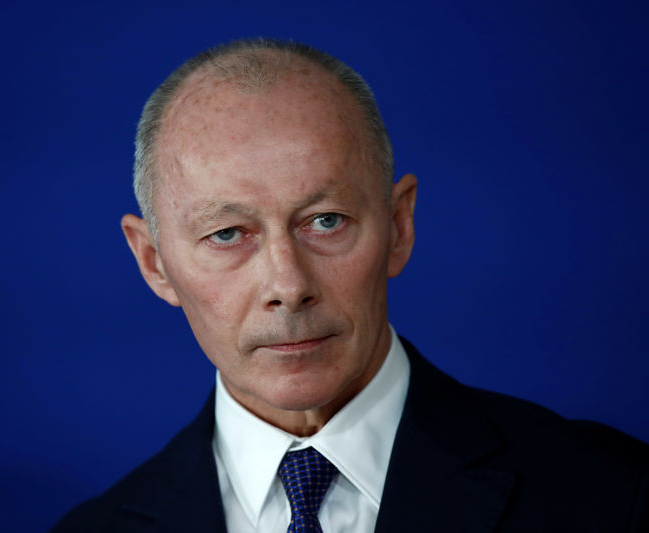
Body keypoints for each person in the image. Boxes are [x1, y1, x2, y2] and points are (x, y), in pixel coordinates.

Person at [51, 38, 648, 532]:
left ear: (398, 226)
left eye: (325, 221)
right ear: (154, 263)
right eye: (228, 234)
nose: (288, 285)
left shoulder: (613, 497)